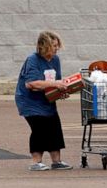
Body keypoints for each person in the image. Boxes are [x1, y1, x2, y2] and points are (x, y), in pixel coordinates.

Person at [15, 30, 72, 171]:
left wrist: (61, 91)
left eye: (57, 45)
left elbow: (55, 81)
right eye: (54, 46)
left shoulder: (55, 60)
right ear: (43, 46)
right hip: (29, 101)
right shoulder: (33, 60)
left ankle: (56, 161)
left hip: (46, 100)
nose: (57, 48)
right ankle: (36, 162)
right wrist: (56, 84)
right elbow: (31, 83)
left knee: (54, 127)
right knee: (39, 128)